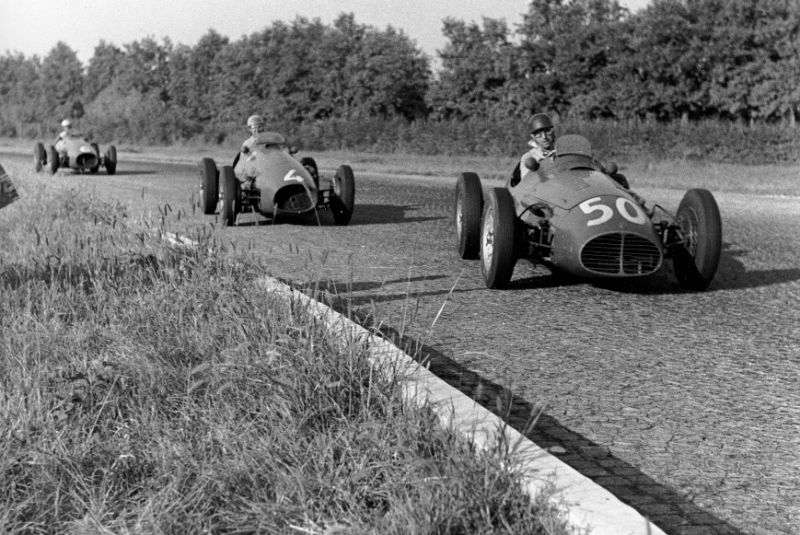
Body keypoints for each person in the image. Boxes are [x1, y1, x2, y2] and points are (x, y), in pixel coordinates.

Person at [509, 113, 556, 187]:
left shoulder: (563, 150)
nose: (544, 137)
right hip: (544, 193)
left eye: (547, 131)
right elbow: (527, 184)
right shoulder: (528, 157)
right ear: (533, 137)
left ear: (553, 131)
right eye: (538, 134)